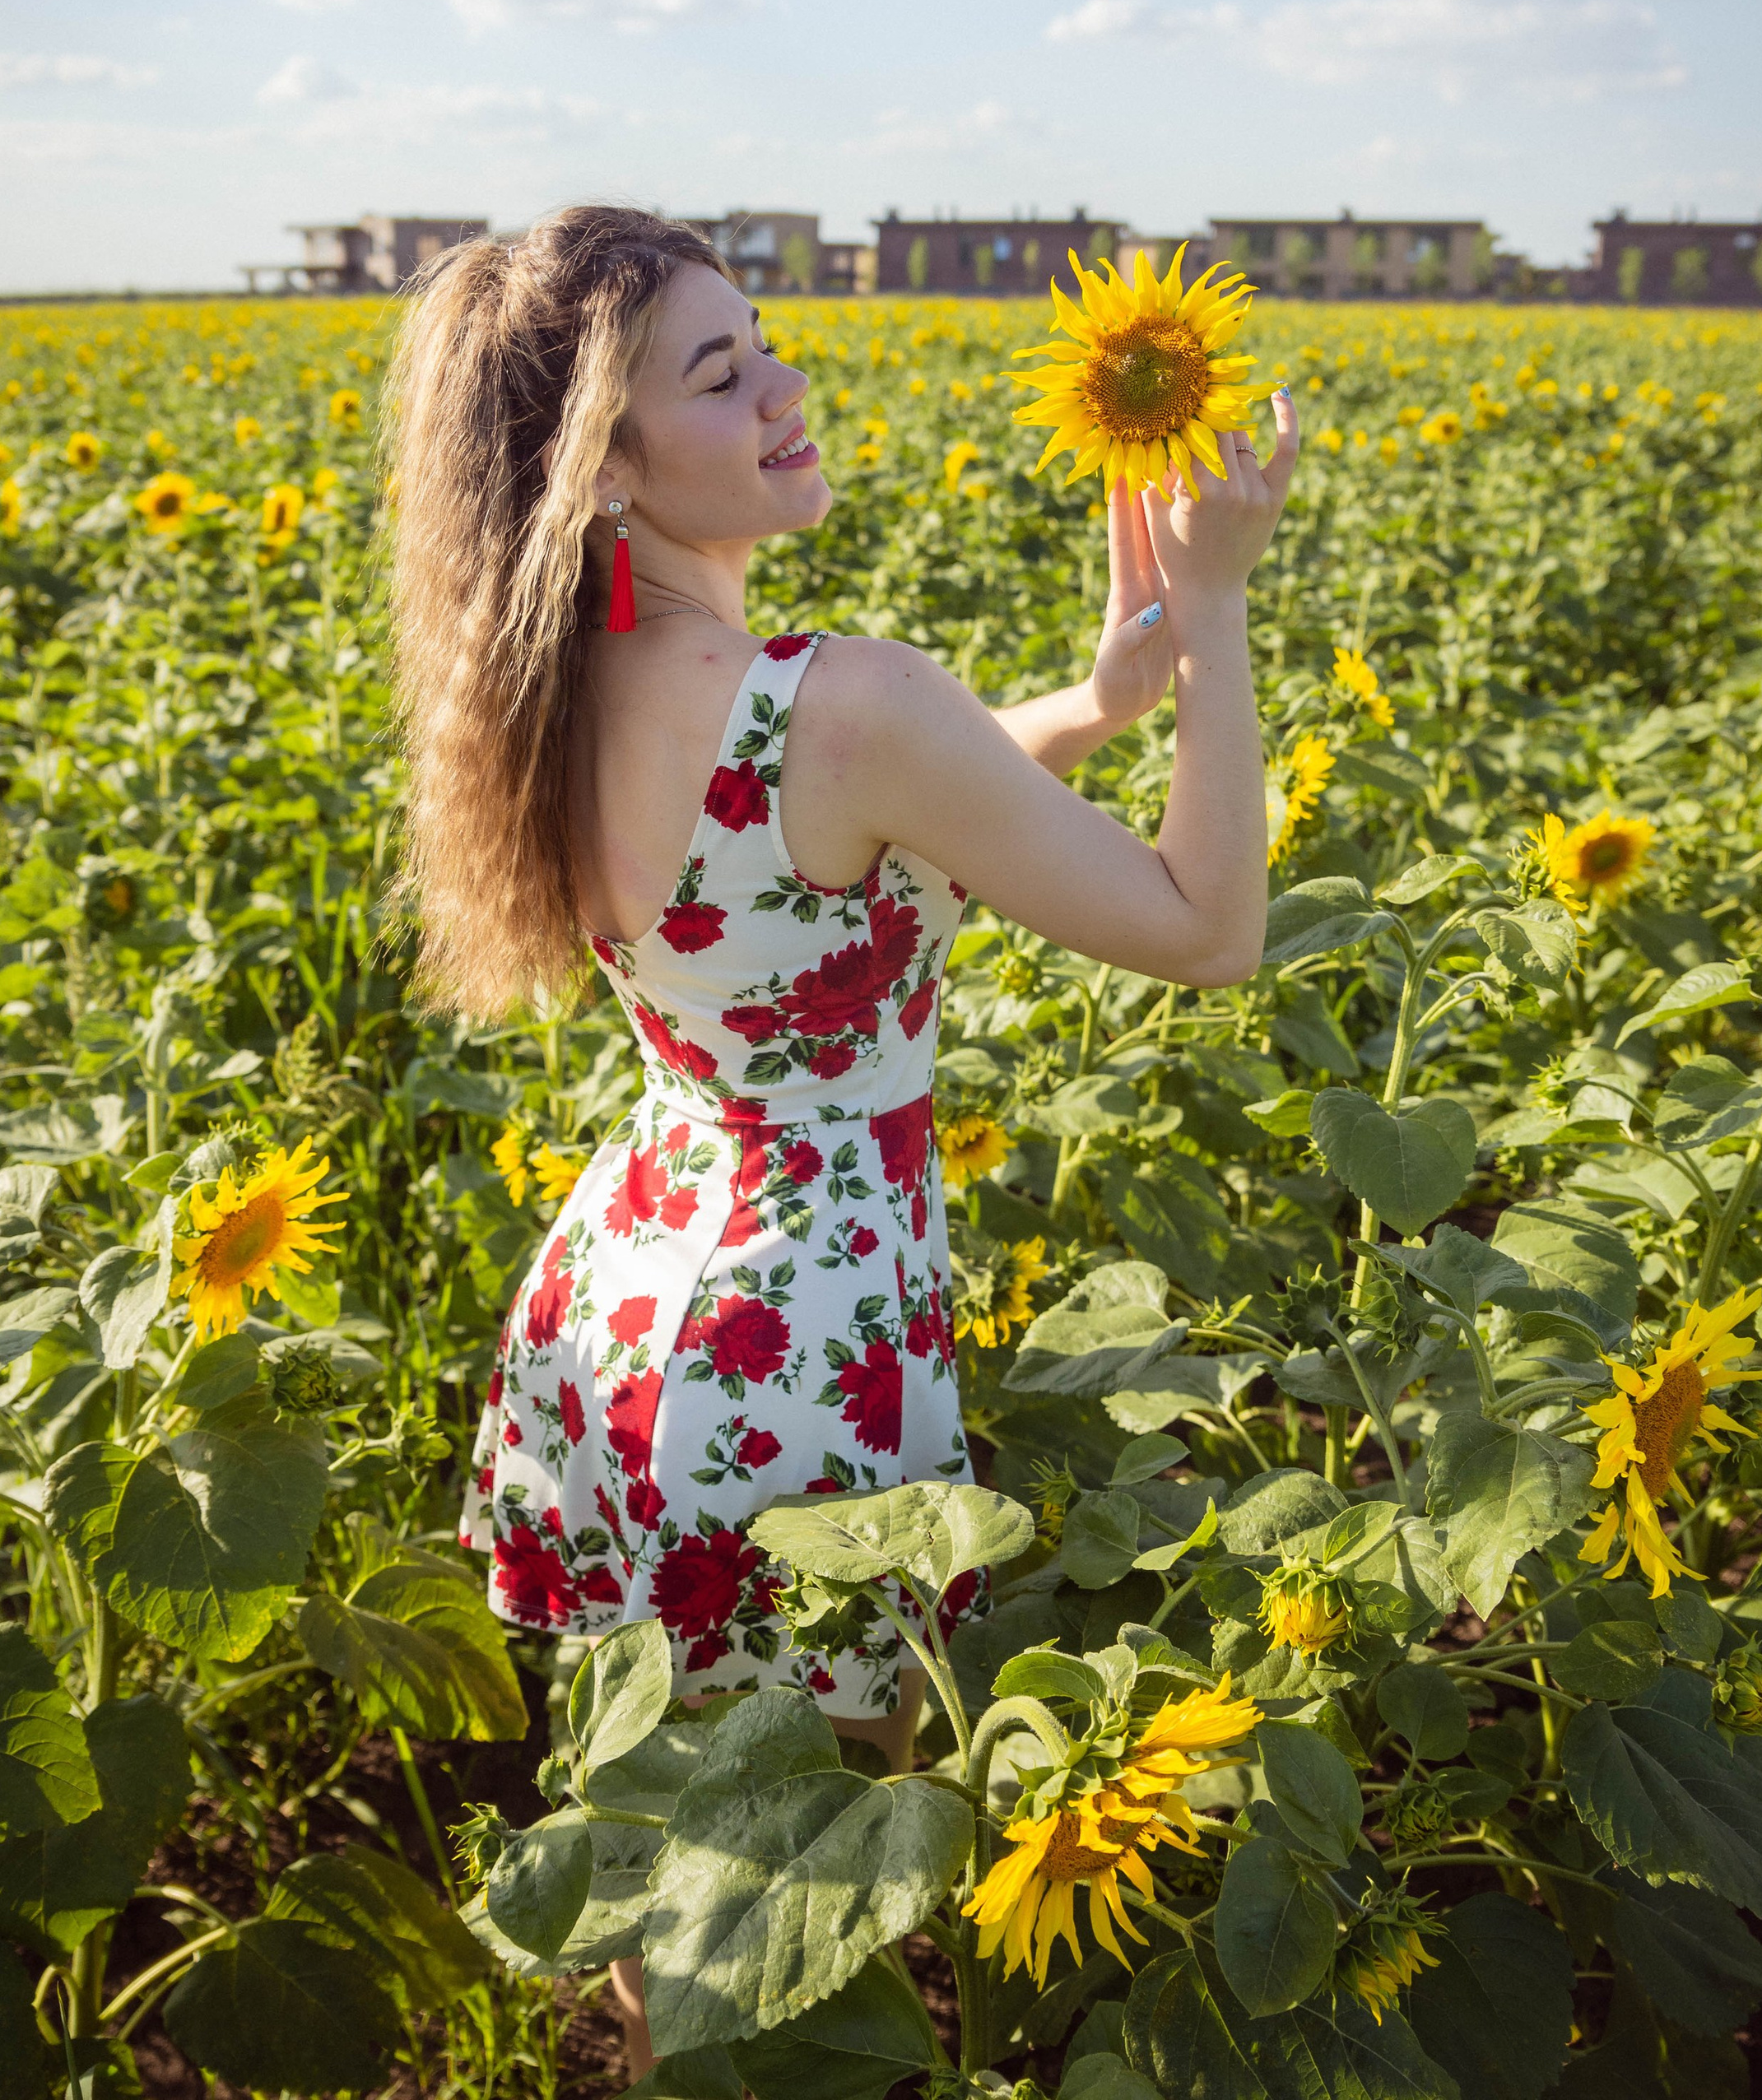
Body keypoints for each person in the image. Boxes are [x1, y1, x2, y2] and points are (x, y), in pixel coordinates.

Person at [385, 204, 1296, 2074]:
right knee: (799, 1923)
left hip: (634, 1299)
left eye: (765, 338)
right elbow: (1207, 928)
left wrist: (1098, 702)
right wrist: (1208, 612)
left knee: (684, 1862)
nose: (785, 383)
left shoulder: (545, 694)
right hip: (809, 1333)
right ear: (603, 460)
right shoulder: (844, 700)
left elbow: (805, 835)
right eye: (719, 372)